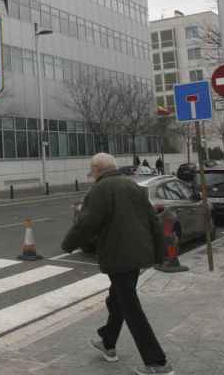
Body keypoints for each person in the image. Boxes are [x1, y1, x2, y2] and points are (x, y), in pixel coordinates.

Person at [61, 153, 173, 375]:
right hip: (138, 254)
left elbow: (86, 223)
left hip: (118, 256)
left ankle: (157, 363)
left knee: (131, 308)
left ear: (96, 170)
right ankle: (108, 342)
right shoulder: (132, 186)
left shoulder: (100, 190)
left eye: (91, 171)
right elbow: (152, 220)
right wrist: (160, 252)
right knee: (118, 299)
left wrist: (68, 244)